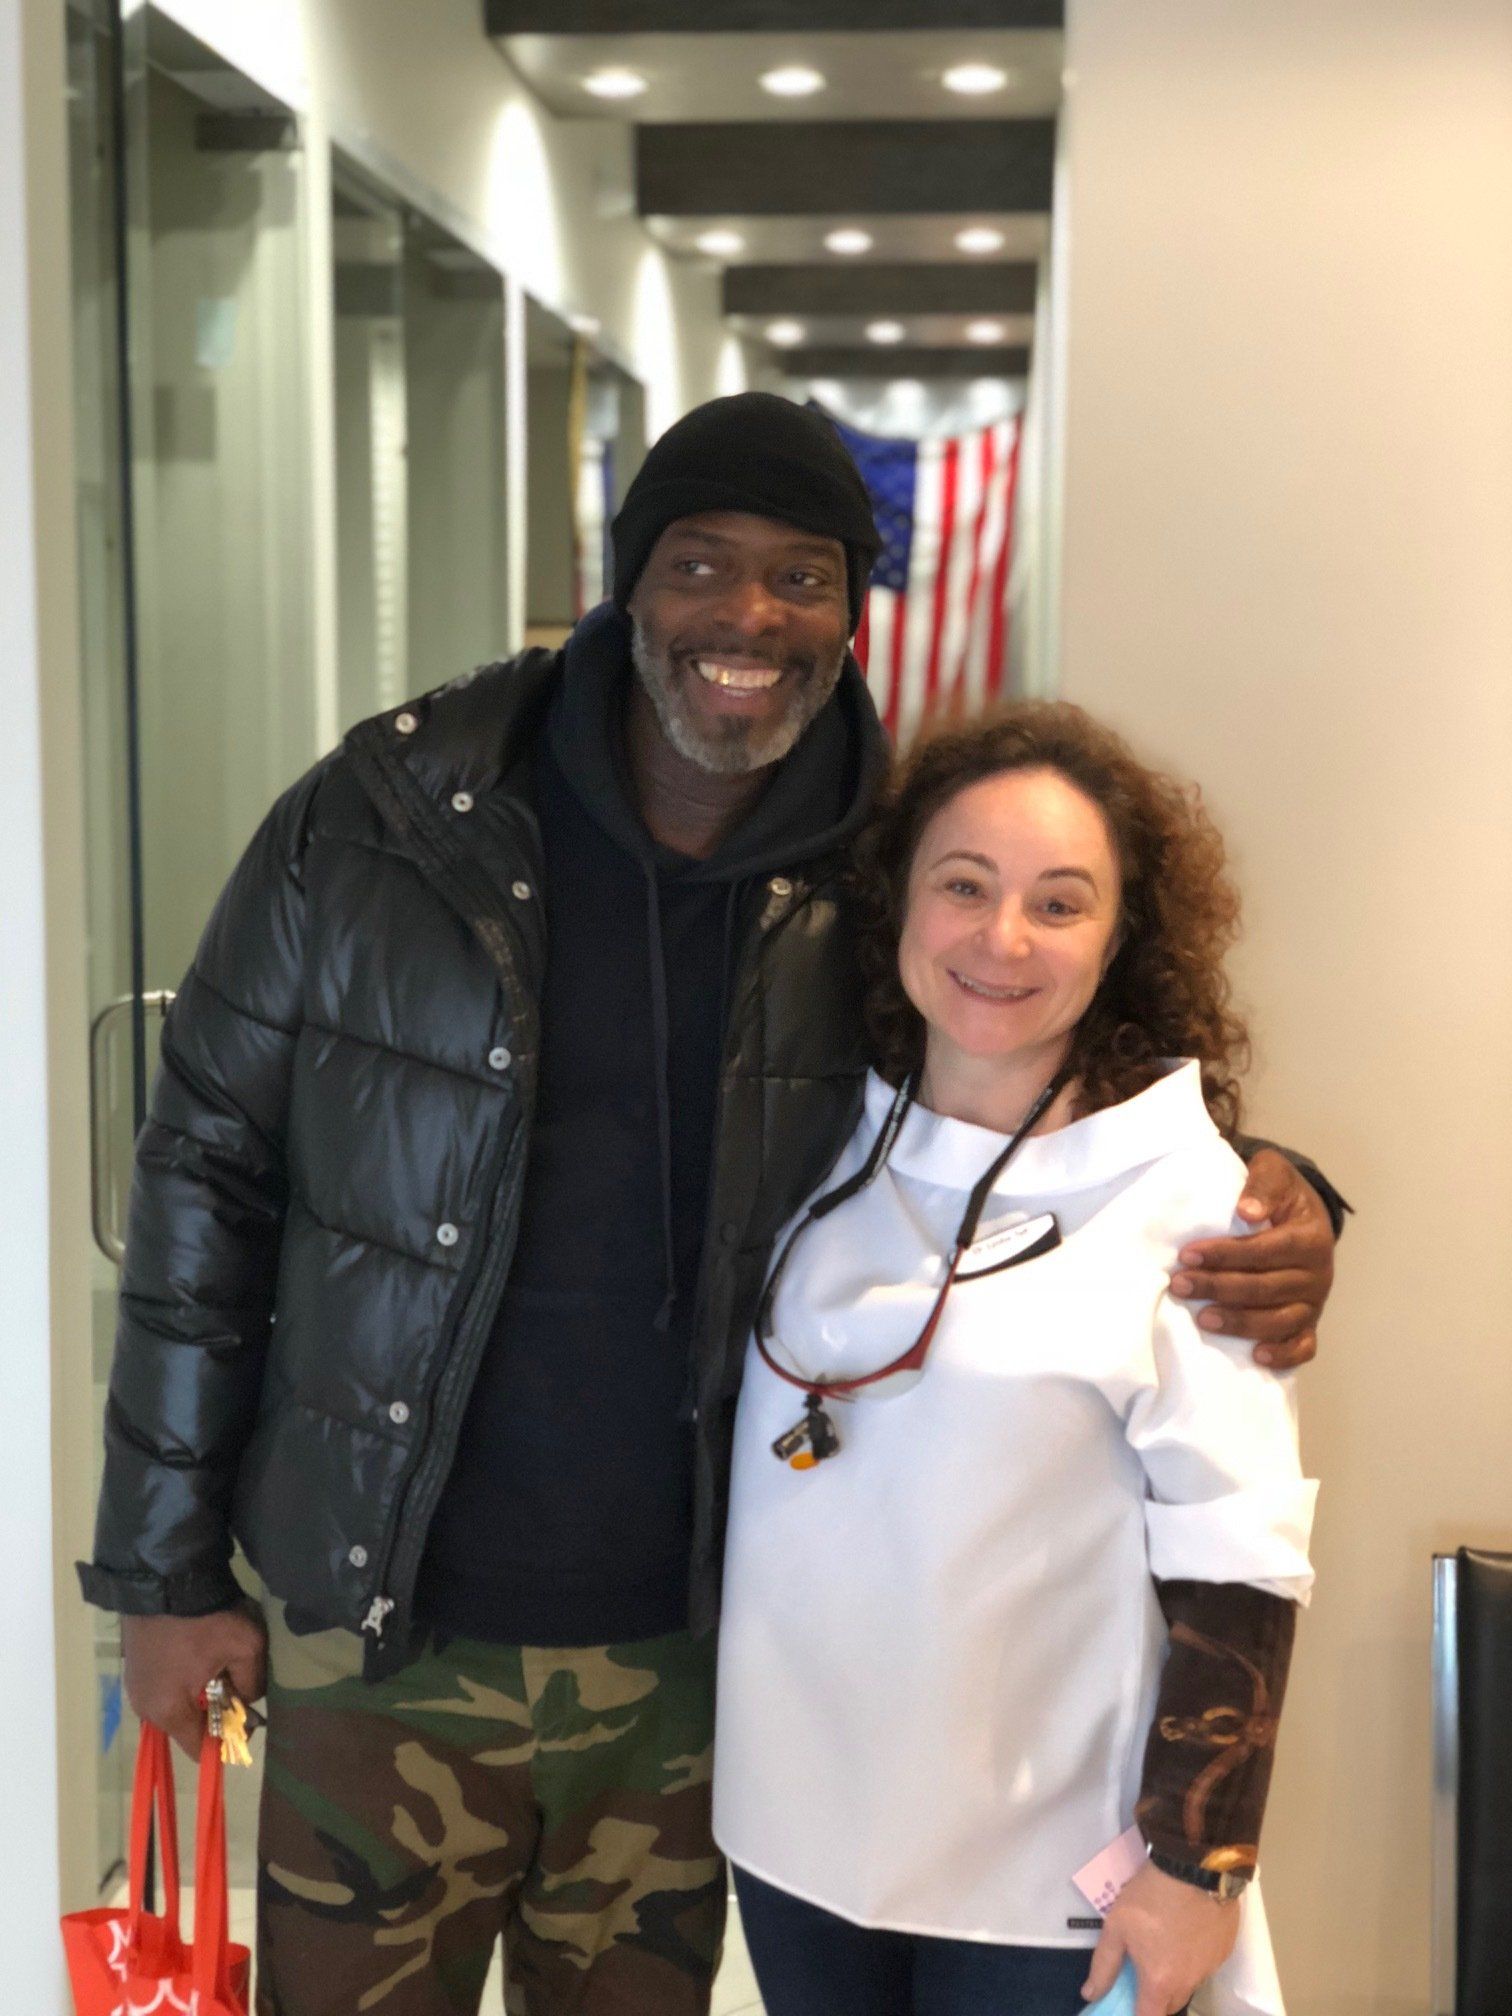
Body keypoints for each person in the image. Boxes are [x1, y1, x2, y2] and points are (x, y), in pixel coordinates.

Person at [79, 394, 1342, 2016]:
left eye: (801, 578)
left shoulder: (881, 879)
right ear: (628, 585)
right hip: (377, 1628)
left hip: (691, 1661)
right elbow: (204, 1172)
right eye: (700, 566)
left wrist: (1289, 1193)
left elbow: (1058, 1083)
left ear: (851, 613)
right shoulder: (384, 824)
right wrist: (165, 1577)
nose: (747, 619)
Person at [714, 702, 1319, 2016]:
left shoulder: (1194, 1207)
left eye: (1059, 903)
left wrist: (1197, 1865)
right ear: (896, 906)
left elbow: (1245, 1559)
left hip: (1053, 1885)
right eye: (965, 887)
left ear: (1122, 939)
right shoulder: (813, 1140)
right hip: (795, 1839)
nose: (1000, 939)